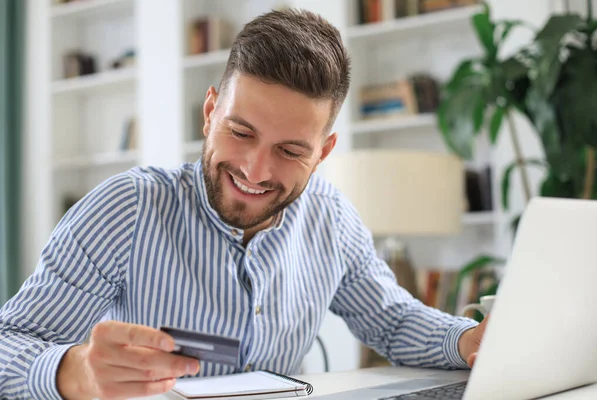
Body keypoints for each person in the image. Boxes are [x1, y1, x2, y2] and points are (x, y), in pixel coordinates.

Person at [0, 8, 487, 400]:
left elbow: (393, 319)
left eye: (291, 151)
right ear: (211, 112)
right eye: (240, 132)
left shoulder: (331, 217)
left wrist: (469, 341)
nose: (255, 171)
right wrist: (73, 373)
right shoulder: (125, 208)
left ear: (323, 153)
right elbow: (10, 344)